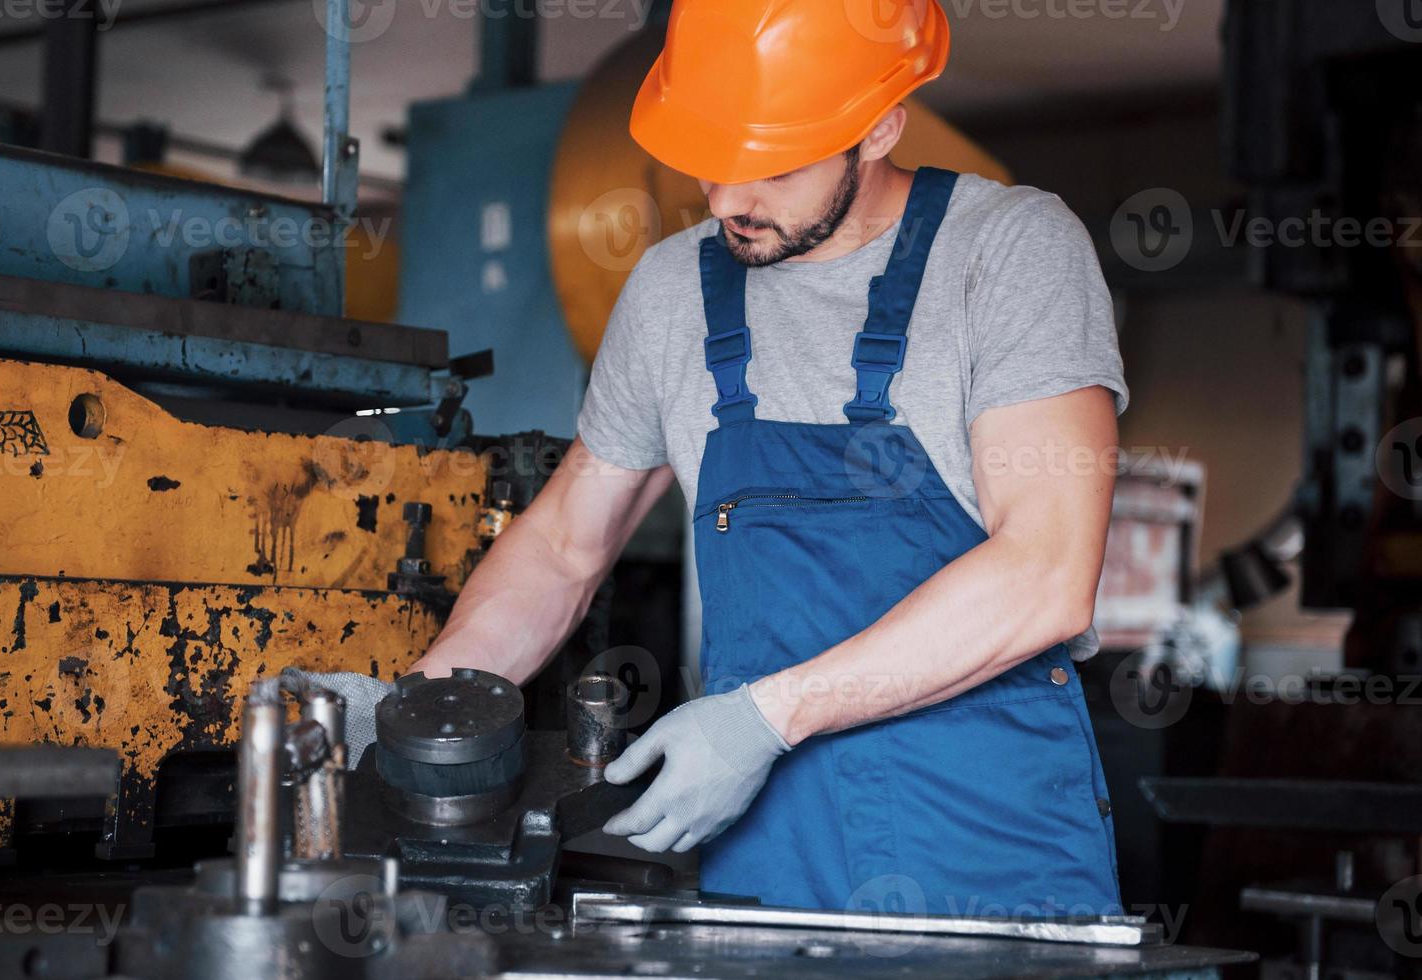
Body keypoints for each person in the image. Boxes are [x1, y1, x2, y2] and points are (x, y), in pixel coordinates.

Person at [312, 0, 1127, 916]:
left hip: (985, 851)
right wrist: (421, 714)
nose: (732, 202)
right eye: (710, 161)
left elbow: (1046, 572)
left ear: (881, 127)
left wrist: (761, 721)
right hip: (771, 854)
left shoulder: (1009, 250)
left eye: (773, 165)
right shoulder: (671, 294)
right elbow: (564, 548)